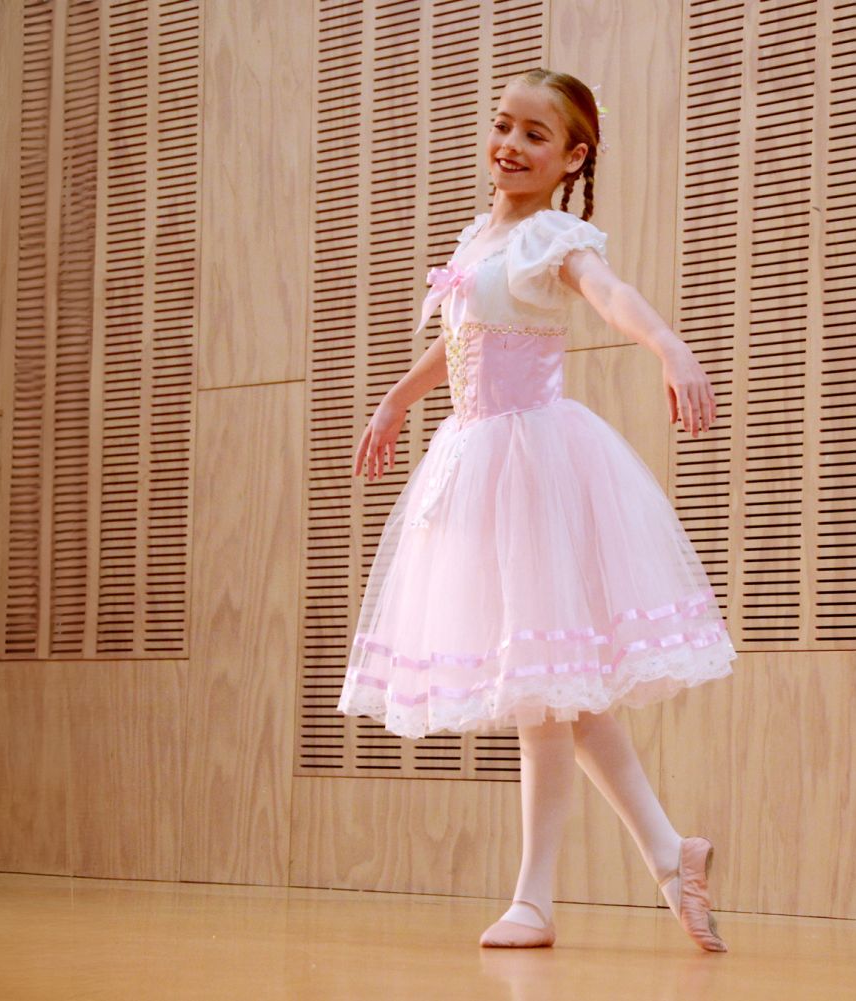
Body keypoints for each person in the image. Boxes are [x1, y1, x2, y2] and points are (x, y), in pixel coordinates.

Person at [337, 68, 735, 953]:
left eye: (534, 136)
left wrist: (667, 343)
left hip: (532, 463)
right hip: (474, 461)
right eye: (502, 126)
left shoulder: (558, 234)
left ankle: (555, 892)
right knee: (551, 692)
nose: (510, 145)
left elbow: (610, 296)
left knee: (548, 692)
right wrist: (398, 400)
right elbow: (462, 341)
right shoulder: (481, 234)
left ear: (571, 157)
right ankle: (662, 858)